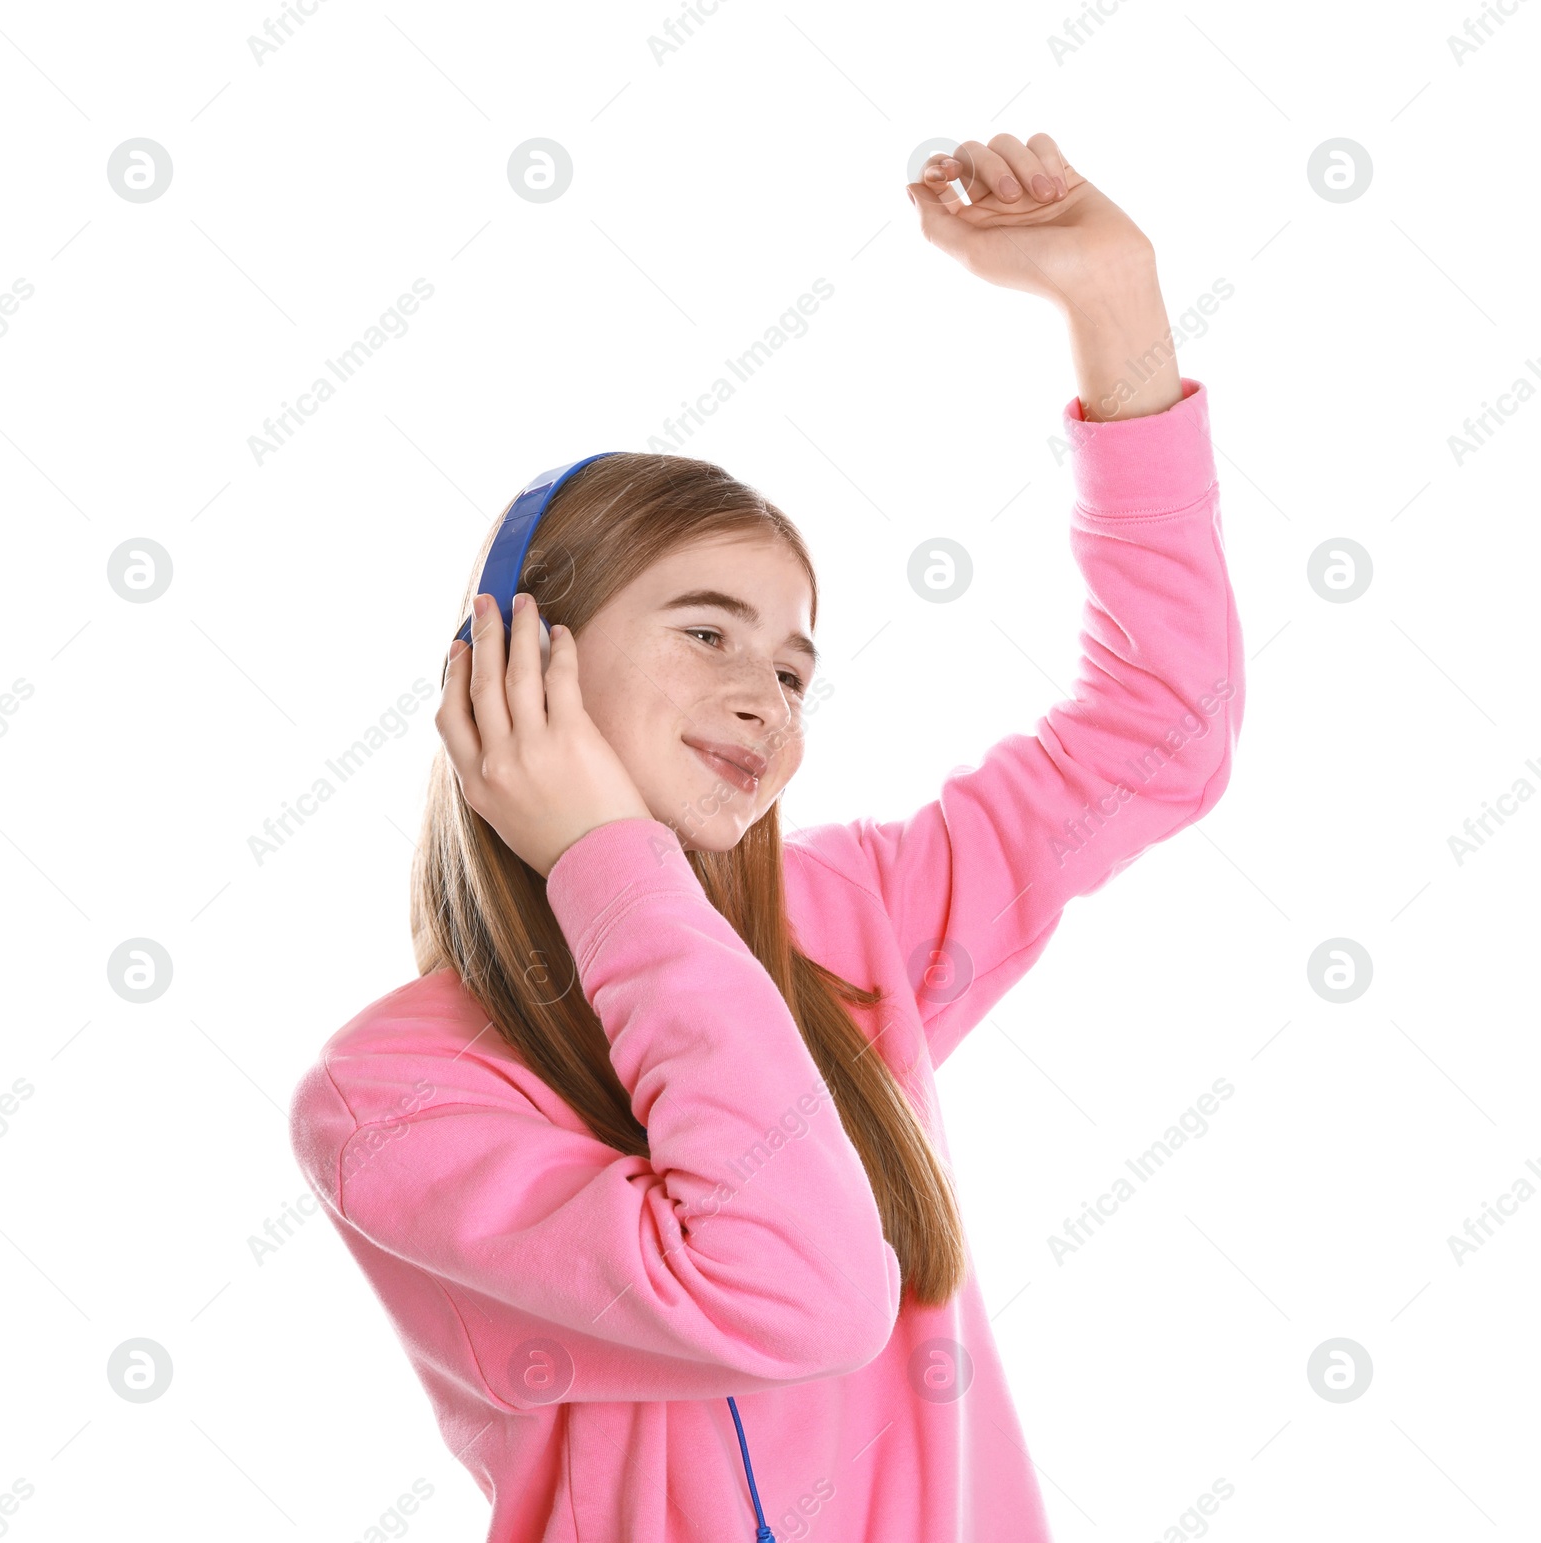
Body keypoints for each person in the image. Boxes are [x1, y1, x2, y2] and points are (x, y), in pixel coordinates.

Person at [288, 130, 1244, 1543]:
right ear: (512, 664)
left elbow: (1162, 732)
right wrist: (606, 856)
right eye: (706, 632)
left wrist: (1116, 303)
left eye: (796, 668)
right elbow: (793, 1290)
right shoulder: (390, 1099)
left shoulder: (846, 921)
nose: (765, 697)